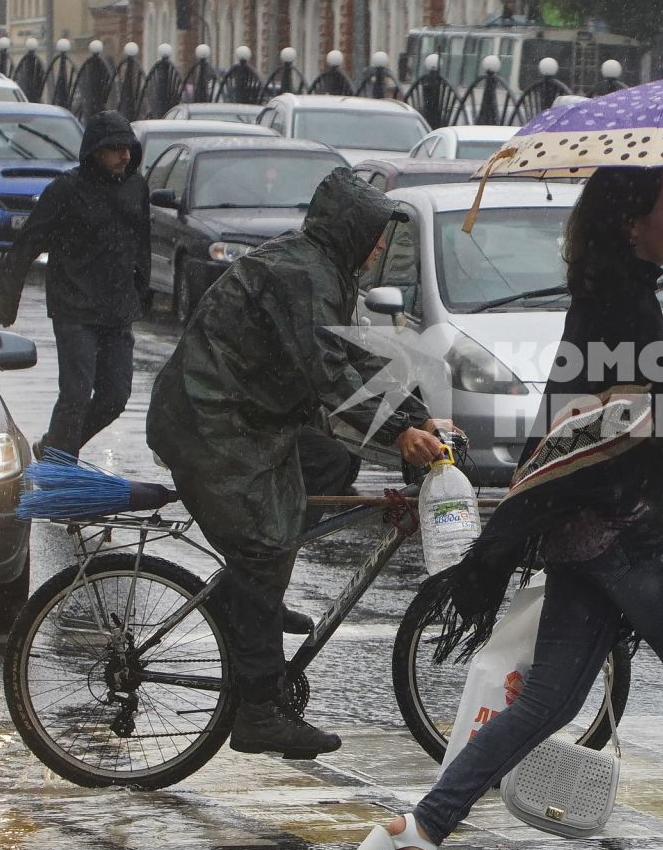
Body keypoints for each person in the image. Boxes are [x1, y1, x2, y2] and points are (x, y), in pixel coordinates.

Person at [358, 165, 663, 850]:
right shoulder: (622, 298)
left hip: (581, 534)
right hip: (627, 530)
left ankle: (417, 833)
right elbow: (646, 413)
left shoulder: (606, 291)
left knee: (552, 700)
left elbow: (625, 399)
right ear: (629, 224)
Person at [147, 167, 447, 758]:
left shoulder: (324, 271)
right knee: (259, 550)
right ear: (350, 231)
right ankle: (259, 711)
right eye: (375, 234)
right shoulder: (302, 274)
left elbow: (354, 358)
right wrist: (399, 432)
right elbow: (327, 372)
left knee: (330, 466)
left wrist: (420, 416)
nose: (381, 246)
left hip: (252, 417)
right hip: (211, 422)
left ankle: (255, 593)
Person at [0, 110, 149, 459]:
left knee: (114, 398)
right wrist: (6, 303)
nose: (125, 155)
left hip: (117, 311)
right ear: (95, 151)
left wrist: (141, 291)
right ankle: (62, 474)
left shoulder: (136, 188)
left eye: (128, 147)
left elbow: (142, 244)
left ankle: (55, 447)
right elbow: (26, 245)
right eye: (115, 148)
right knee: (76, 394)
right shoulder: (66, 190)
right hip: (73, 307)